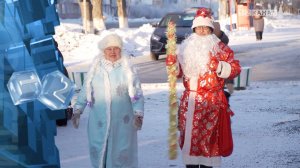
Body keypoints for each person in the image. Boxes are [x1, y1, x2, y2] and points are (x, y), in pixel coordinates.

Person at [176, 8, 241, 168]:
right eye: (199, 27)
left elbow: (235, 69)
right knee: (190, 139)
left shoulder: (220, 48)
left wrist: (219, 66)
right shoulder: (185, 48)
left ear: (211, 29)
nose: (202, 31)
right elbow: (177, 73)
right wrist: (172, 65)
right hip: (190, 102)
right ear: (194, 29)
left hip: (211, 104)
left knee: (209, 142)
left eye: (205, 27)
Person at [71, 34, 144, 168]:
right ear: (103, 50)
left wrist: (138, 113)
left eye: (115, 48)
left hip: (122, 122)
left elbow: (137, 92)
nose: (112, 52)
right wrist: (78, 110)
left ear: (120, 50)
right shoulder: (95, 69)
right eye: (109, 49)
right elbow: (85, 90)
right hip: (98, 120)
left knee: (120, 153)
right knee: (100, 151)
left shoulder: (127, 69)